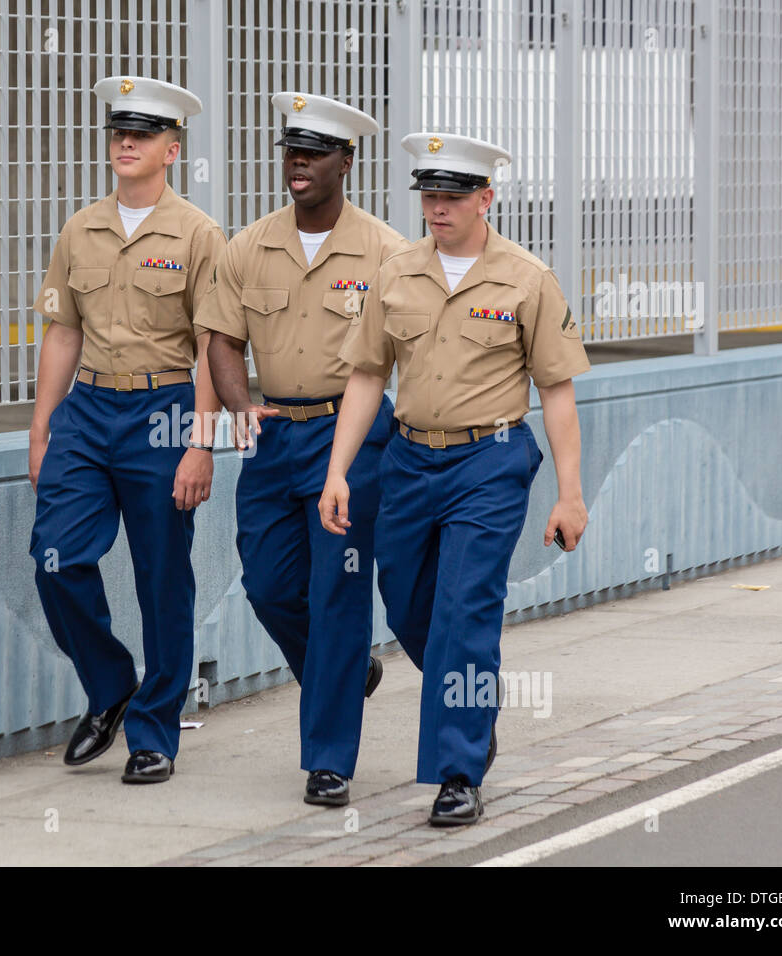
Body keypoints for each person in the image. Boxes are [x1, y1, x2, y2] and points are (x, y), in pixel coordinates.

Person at [319, 132, 591, 825]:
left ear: (486, 199)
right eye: (429, 196)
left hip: (490, 462)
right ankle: (467, 702)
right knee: (409, 605)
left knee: (465, 610)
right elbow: (368, 375)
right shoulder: (397, 272)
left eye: (452, 197)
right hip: (408, 459)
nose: (437, 209)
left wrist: (569, 494)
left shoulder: (526, 278)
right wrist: (338, 472)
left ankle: (457, 771)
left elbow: (556, 390)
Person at [196, 93, 406, 807]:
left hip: (352, 436)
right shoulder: (248, 247)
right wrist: (236, 407)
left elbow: (403, 353)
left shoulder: (385, 251)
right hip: (274, 437)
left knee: (337, 592)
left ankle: (328, 760)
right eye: (291, 150)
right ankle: (347, 672)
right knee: (269, 585)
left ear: (347, 161)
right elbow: (221, 338)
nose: (298, 162)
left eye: (314, 152)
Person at [28, 76, 226, 784]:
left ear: (172, 149)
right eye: (119, 133)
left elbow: (213, 346)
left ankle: (155, 731)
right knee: (56, 555)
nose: (127, 143)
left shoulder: (199, 234)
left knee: (161, 576)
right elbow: (62, 332)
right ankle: (111, 686)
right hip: (87, 410)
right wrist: (42, 428)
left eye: (142, 135)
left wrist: (201, 441)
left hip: (164, 411)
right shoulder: (81, 229)